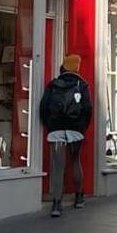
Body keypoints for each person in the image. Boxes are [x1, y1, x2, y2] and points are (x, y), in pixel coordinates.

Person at [39, 54, 93, 218]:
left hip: (56, 130)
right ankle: (79, 197)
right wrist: (82, 127)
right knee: (75, 161)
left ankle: (57, 203)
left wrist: (50, 125)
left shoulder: (53, 84)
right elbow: (87, 109)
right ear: (77, 67)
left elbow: (43, 107)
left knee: (58, 166)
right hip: (75, 130)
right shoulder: (82, 84)